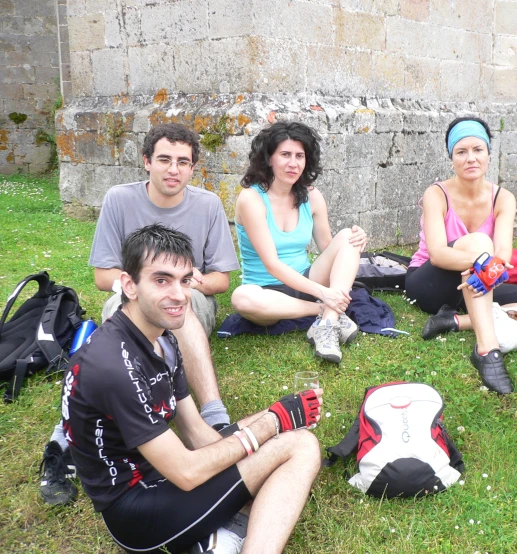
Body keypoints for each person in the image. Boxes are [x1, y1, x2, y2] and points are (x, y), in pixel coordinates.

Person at [61, 225, 323, 554]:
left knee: (277, 438)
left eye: (185, 280)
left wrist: (260, 445)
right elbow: (186, 472)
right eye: (161, 280)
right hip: (137, 512)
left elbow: (196, 433)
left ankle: (223, 527)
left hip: (162, 470)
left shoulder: (163, 338)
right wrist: (269, 427)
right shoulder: (113, 365)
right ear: (129, 285)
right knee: (300, 446)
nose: (179, 295)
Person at [39, 123, 240, 506]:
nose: (173, 169)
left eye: (183, 162)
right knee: (121, 316)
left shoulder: (208, 205)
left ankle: (214, 417)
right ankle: (64, 438)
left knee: (179, 307)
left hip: (192, 299)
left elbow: (221, 280)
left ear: (193, 168)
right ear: (147, 162)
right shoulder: (120, 199)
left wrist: (188, 282)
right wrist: (148, 286)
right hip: (129, 298)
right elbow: (103, 277)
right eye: (164, 159)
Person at [405, 116, 517, 394]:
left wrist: (488, 266)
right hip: (431, 283)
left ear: (489, 154)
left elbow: (503, 254)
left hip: (480, 284)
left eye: (478, 150)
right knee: (480, 242)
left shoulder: (502, 197)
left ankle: (456, 321)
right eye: (461, 151)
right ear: (451, 158)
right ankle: (488, 351)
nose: (471, 158)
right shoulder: (437, 194)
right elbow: (438, 255)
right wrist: (483, 262)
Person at [230, 121, 367, 363]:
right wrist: (324, 296)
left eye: (299, 156)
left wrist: (357, 240)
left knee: (347, 236)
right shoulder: (251, 199)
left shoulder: (312, 196)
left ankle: (326, 326)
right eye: (285, 154)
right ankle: (327, 312)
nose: (293, 163)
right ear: (269, 158)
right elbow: (272, 264)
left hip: (305, 280)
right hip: (267, 293)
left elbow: (327, 247)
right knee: (241, 297)